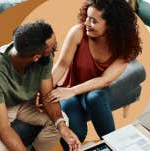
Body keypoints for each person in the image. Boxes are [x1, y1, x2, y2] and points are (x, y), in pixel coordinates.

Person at [0, 20, 81, 151]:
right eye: (52, 47)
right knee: (3, 147)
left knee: (62, 122)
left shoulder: (44, 58)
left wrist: (63, 128)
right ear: (36, 57)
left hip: (23, 102)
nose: (55, 49)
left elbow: (47, 95)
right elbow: (3, 129)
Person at [44, 0, 142, 150]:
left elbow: (105, 80)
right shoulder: (78, 32)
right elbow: (62, 66)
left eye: (94, 21)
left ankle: (113, 145)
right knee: (78, 133)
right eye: (87, 17)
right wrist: (45, 91)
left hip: (95, 90)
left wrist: (73, 91)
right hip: (68, 89)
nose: (87, 23)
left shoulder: (124, 47)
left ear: (111, 25)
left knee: (95, 97)